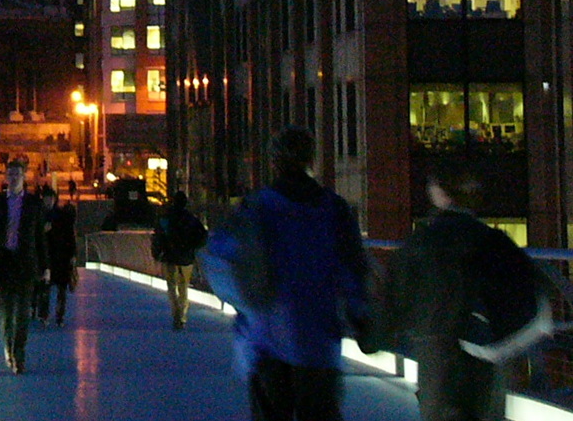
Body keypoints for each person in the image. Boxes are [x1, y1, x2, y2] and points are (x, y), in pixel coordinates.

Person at [204, 126, 370, 421]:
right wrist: (360, 316)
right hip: (320, 339)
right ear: (311, 159)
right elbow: (354, 270)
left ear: (274, 161)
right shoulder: (335, 209)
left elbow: (221, 256)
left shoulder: (257, 206)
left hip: (265, 336)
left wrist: (246, 304)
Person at [372, 162, 548, 421]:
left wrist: (373, 338)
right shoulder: (496, 241)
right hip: (490, 361)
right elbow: (531, 290)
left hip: (440, 362)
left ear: (440, 194)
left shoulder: (424, 241)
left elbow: (394, 298)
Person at [0, 159, 49, 373]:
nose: (13, 179)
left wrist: (45, 266)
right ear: (5, 177)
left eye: (17, 175)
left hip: (26, 264)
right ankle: (8, 348)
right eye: (10, 175)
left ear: (24, 177)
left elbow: (40, 237)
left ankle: (18, 354)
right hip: (3, 264)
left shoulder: (34, 204)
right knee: (6, 312)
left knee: (22, 313)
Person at [152, 189, 207, 330]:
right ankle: (182, 315)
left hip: (170, 256)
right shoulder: (192, 219)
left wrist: (157, 253)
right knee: (184, 287)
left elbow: (158, 236)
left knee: (172, 287)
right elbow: (202, 236)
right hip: (186, 258)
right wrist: (193, 247)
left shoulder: (166, 218)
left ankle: (176, 312)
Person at [39, 186, 78, 327]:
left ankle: (58, 316)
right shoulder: (38, 216)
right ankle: (44, 315)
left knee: (61, 289)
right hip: (45, 258)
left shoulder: (62, 215)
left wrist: (72, 254)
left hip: (61, 257)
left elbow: (70, 236)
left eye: (51, 198)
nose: (48, 201)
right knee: (45, 288)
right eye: (46, 198)